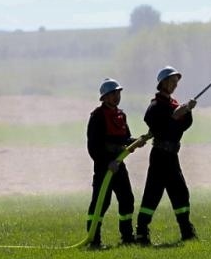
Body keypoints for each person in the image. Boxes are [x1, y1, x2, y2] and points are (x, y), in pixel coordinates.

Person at [136, 65, 198, 245]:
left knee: (181, 193)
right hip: (159, 155)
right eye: (171, 81)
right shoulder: (155, 106)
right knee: (152, 195)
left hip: (172, 156)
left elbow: (183, 126)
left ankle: (186, 230)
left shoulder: (174, 104)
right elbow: (158, 126)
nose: (174, 85)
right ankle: (141, 233)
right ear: (162, 83)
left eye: (176, 82)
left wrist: (187, 111)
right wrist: (174, 115)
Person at [85, 78, 147, 248]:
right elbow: (93, 146)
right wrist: (107, 163)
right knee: (101, 203)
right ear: (104, 97)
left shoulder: (121, 115)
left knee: (127, 199)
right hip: (105, 166)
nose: (116, 96)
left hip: (119, 165)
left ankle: (127, 237)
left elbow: (125, 138)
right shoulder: (97, 116)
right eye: (112, 94)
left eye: (118, 93)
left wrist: (135, 141)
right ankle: (94, 240)